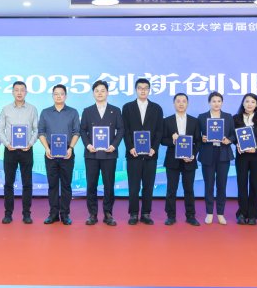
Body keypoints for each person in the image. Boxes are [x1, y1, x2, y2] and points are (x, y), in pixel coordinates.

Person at [80, 80, 124, 226]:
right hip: (91, 154)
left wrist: (114, 145)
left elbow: (121, 129)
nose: (100, 93)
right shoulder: (87, 111)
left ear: (107, 93)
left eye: (102, 90)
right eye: (97, 91)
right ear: (93, 93)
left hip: (109, 153)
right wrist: (88, 145)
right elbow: (82, 130)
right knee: (91, 184)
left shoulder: (115, 110)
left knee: (109, 184)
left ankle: (108, 213)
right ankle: (92, 214)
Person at [121, 78, 163, 225]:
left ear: (149, 90)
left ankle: (146, 213)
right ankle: (133, 214)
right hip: (133, 154)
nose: (143, 90)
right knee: (133, 186)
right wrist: (130, 147)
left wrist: (154, 148)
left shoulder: (156, 108)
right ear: (136, 90)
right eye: (140, 88)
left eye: (146, 88)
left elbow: (159, 131)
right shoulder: (127, 107)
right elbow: (125, 130)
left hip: (151, 154)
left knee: (148, 186)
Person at [0, 81, 39, 224]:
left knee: (27, 183)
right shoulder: (6, 109)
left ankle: (27, 214)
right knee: (8, 183)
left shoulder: (32, 109)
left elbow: (36, 129)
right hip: (10, 150)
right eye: (16, 90)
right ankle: (8, 214)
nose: (19, 92)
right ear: (12, 92)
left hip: (27, 150)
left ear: (26, 92)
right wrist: (7, 144)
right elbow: (0, 129)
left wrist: (30, 143)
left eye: (22, 90)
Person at [38, 84, 80, 226]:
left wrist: (71, 148)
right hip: (50, 152)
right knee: (53, 185)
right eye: (56, 94)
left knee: (66, 185)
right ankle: (53, 214)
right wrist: (46, 148)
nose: (58, 96)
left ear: (65, 96)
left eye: (61, 94)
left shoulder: (73, 112)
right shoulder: (45, 112)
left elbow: (76, 132)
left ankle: (65, 214)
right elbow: (41, 132)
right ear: (52, 96)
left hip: (67, 152)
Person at [161, 93, 202, 226]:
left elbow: (198, 141)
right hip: (172, 160)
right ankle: (170, 216)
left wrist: (193, 155)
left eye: (184, 101)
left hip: (189, 160)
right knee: (171, 189)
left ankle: (190, 216)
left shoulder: (194, 121)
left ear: (187, 104)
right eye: (178, 101)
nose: (181, 103)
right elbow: (162, 140)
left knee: (189, 189)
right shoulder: (167, 121)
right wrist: (173, 140)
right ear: (174, 103)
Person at [198, 91, 236, 225]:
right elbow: (197, 136)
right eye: (213, 101)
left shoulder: (228, 117)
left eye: (219, 101)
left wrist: (228, 140)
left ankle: (220, 213)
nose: (216, 104)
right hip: (207, 154)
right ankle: (209, 212)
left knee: (221, 185)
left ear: (222, 103)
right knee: (209, 185)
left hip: (223, 154)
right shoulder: (202, 117)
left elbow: (233, 135)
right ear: (209, 102)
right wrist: (202, 138)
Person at [233, 93, 257, 225]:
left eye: (253, 102)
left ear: (256, 105)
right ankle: (242, 213)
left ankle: (253, 214)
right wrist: (236, 144)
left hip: (256, 156)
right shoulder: (235, 118)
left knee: (254, 185)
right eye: (247, 101)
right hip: (242, 156)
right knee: (242, 184)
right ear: (243, 103)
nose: (249, 104)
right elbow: (232, 136)